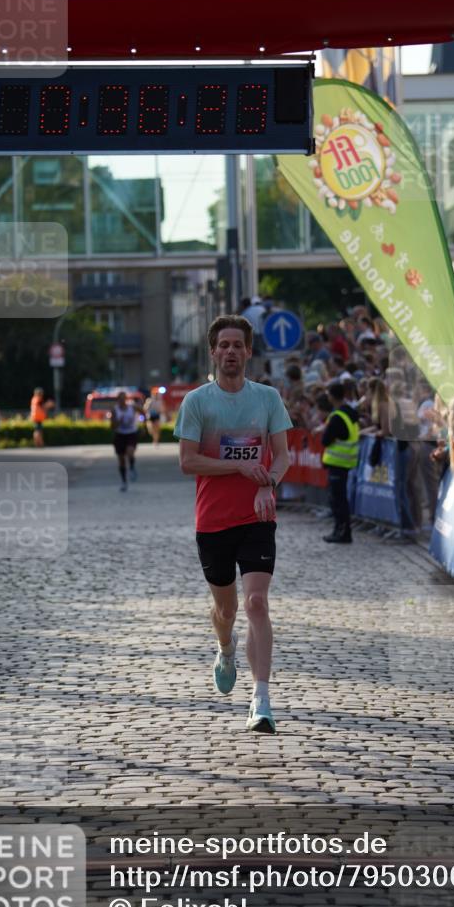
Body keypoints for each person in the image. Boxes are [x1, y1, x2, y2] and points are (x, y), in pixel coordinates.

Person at [175, 315, 292, 735]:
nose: (229, 352)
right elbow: (188, 462)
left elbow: (282, 455)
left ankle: (261, 701)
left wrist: (269, 484)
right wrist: (238, 470)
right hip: (213, 521)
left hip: (258, 515)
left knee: (256, 603)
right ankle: (225, 648)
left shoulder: (267, 399)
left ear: (247, 352)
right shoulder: (197, 402)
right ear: (213, 352)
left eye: (236, 345)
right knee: (225, 609)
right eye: (222, 345)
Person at [319, 380, 359, 544]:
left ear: (332, 396)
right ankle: (343, 530)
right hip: (346, 462)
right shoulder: (350, 411)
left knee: (338, 500)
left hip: (338, 463)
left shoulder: (337, 416)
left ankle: (341, 532)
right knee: (341, 499)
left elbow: (326, 440)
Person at [111, 391, 139, 491]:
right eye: (120, 399)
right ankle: (124, 481)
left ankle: (131, 467)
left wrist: (144, 424)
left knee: (130, 452)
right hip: (119, 435)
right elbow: (112, 426)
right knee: (121, 460)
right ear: (118, 400)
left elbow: (143, 411)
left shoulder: (132, 407)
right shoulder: (115, 410)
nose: (122, 400)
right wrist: (118, 422)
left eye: (124, 398)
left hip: (131, 434)